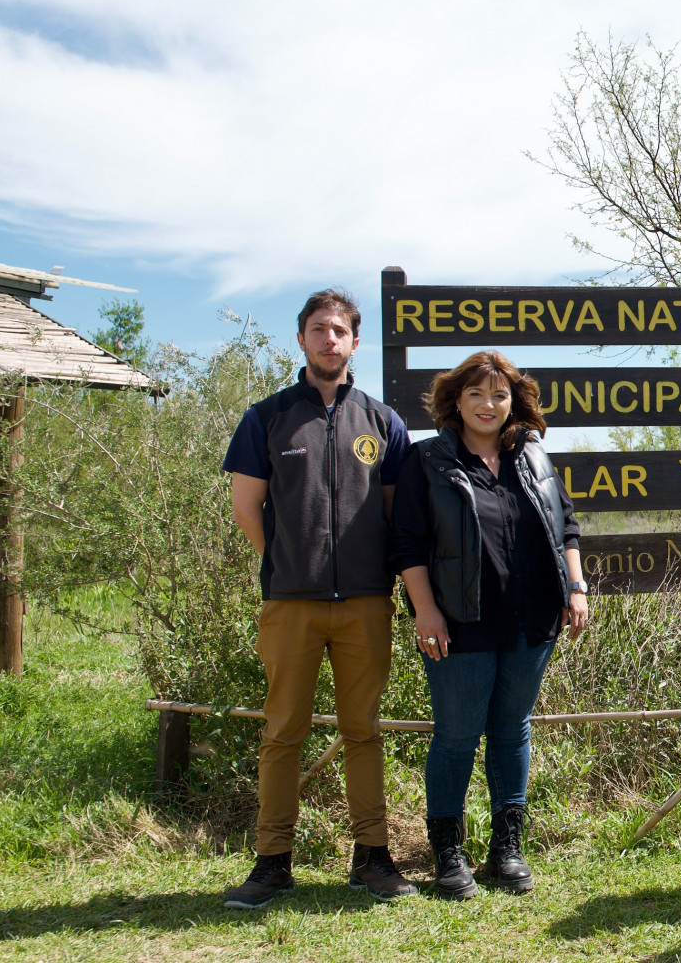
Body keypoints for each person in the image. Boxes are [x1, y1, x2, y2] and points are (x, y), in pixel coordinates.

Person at [221, 288, 415, 908]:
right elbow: (248, 509)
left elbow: (395, 517)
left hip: (365, 603)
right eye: (318, 329)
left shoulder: (384, 423)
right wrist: (288, 564)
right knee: (283, 733)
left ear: (356, 342)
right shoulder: (266, 417)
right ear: (301, 338)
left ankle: (373, 858)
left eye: (340, 330)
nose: (329, 339)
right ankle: (273, 860)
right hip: (290, 603)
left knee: (364, 731)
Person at [389, 350, 589, 899]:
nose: (488, 404)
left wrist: (576, 587)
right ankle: (448, 855)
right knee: (456, 737)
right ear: (456, 400)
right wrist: (424, 610)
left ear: (513, 402)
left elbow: (565, 525)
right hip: (460, 622)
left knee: (512, 731)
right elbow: (407, 543)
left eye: (499, 395)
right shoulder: (427, 460)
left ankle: (507, 849)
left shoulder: (531, 455)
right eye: (475, 393)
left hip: (533, 621)